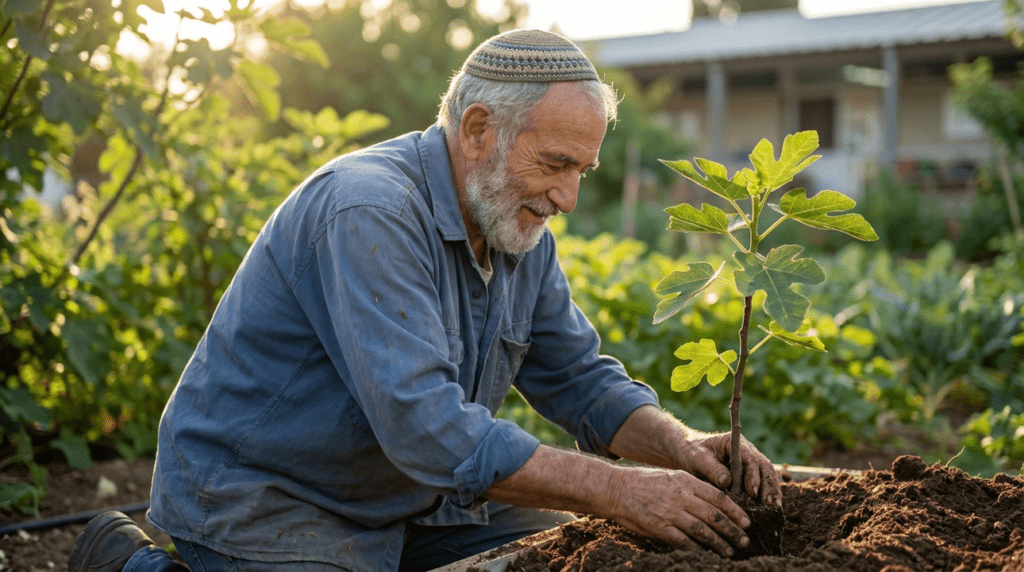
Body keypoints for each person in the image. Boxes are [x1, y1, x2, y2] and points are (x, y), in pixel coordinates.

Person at [68, 29, 782, 572]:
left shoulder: (516, 224)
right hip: (266, 498)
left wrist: (677, 443)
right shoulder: (368, 212)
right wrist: (621, 490)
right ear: (477, 131)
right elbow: (427, 428)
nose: (567, 197)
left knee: (579, 550)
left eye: (583, 172)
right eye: (556, 164)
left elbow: (578, 377)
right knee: (607, 514)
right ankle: (133, 560)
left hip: (412, 502)